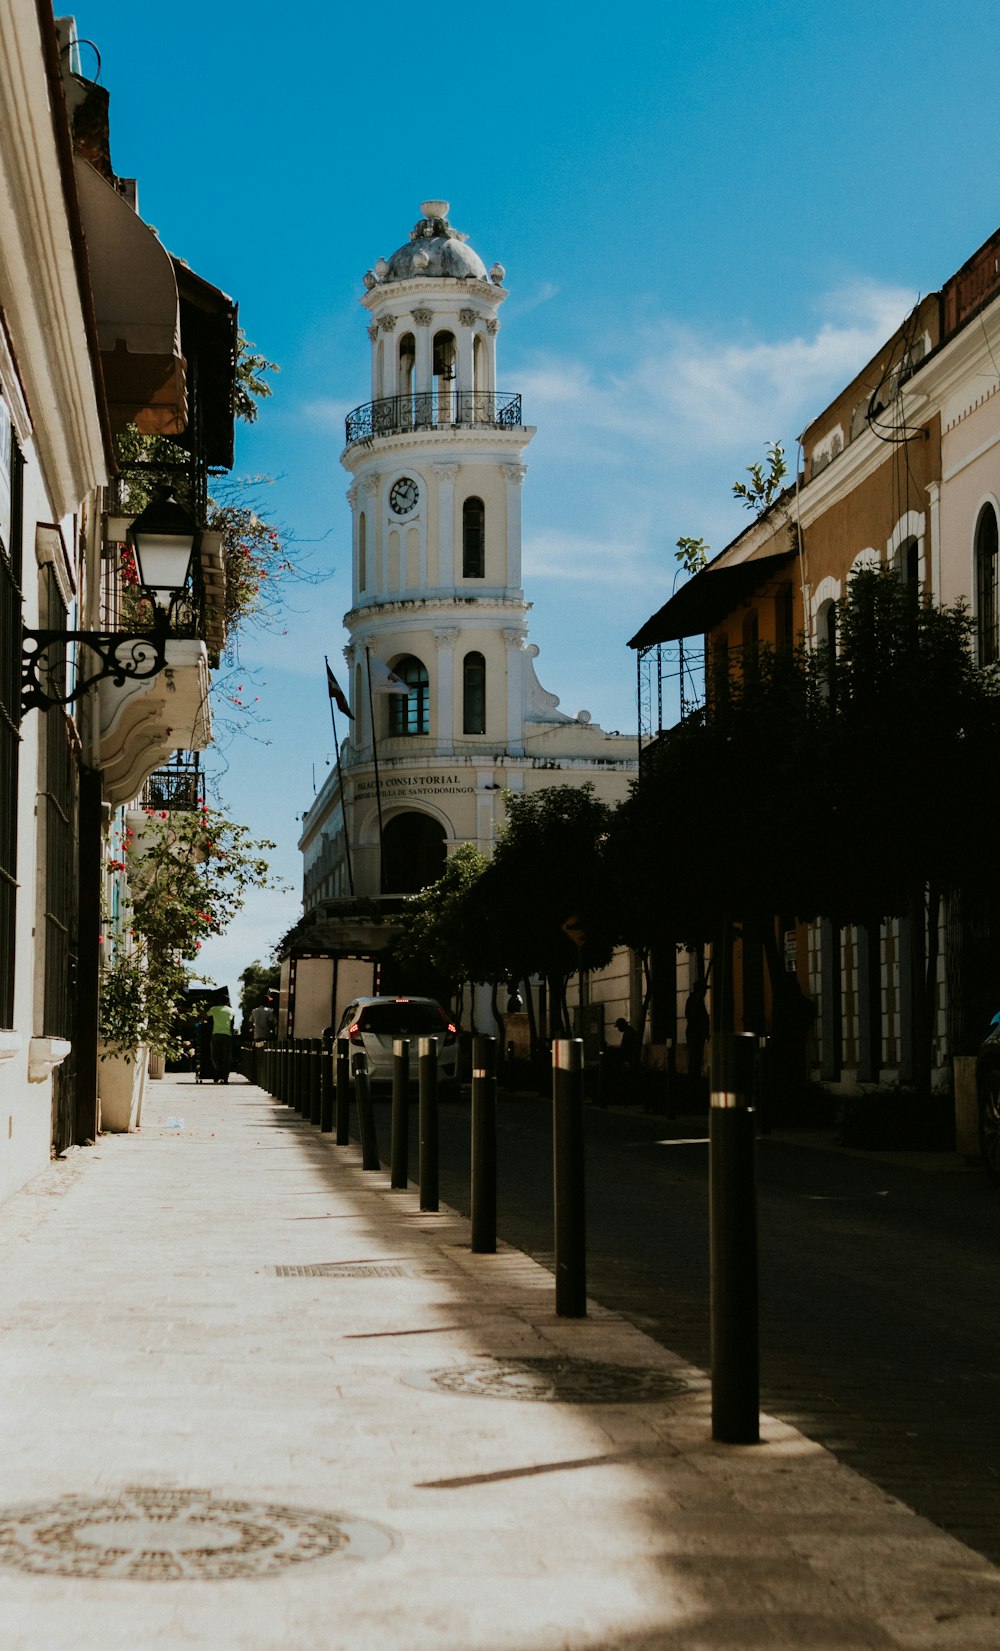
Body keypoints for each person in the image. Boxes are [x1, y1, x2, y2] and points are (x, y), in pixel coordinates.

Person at [684, 980, 710, 1101]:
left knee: (696, 1059)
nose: (705, 992)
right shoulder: (694, 1001)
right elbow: (693, 1017)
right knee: (695, 1059)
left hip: (698, 1035)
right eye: (704, 990)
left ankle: (694, 1082)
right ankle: (693, 1084)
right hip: (695, 1035)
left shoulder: (697, 1001)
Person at [207, 999, 237, 1084]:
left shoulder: (214, 1009)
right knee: (227, 1056)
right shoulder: (231, 1011)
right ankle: (225, 1077)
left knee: (214, 1055)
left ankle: (218, 1070)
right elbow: (232, 1023)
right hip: (227, 1035)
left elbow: (205, 1016)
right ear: (227, 1002)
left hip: (216, 1034)